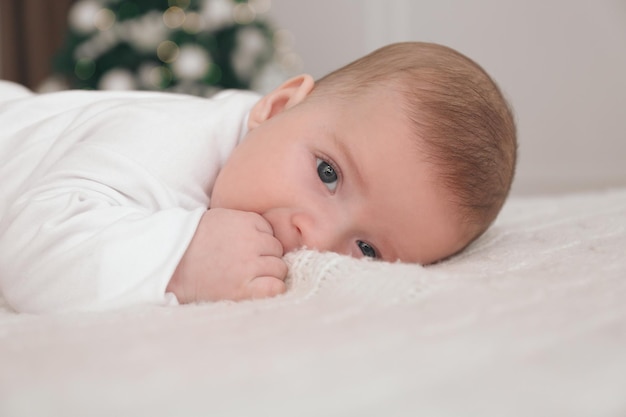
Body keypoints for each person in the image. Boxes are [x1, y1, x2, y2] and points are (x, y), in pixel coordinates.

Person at [0, 42, 516, 313]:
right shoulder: (163, 143)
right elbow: (28, 253)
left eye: (367, 249)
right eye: (327, 173)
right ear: (277, 105)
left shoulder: (280, 140)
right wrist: (181, 260)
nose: (314, 236)